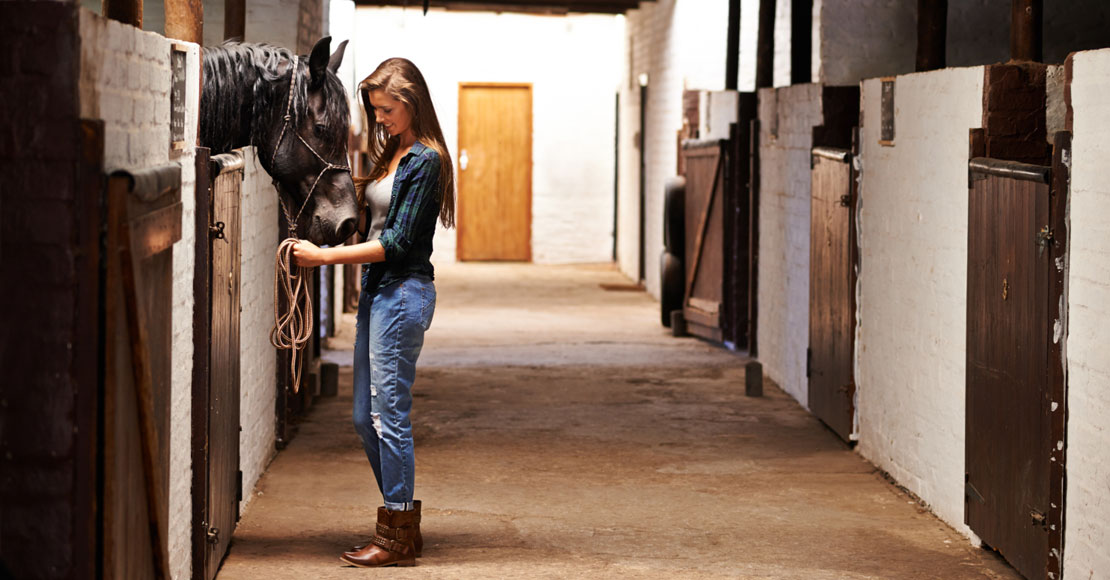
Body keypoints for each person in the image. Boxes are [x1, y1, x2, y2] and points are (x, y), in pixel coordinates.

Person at [292, 57, 455, 568]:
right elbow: (370, 224)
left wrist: (323, 258)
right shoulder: (392, 153)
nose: (379, 118)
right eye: (376, 110)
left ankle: (397, 534)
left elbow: (397, 243)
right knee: (365, 417)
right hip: (377, 293)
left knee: (388, 416)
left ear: (411, 102)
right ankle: (403, 522)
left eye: (386, 109)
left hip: (403, 293)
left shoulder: (426, 161)